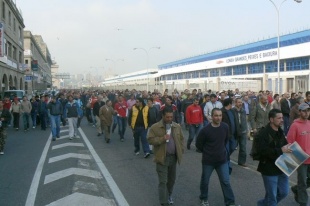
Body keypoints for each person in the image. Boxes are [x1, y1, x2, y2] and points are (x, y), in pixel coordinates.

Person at [196, 108, 237, 206]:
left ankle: (230, 202)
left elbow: (225, 140)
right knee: (205, 181)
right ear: (211, 116)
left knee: (225, 182)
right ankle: (204, 198)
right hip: (208, 161)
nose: (218, 118)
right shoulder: (205, 130)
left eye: (220, 115)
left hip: (222, 160)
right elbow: (199, 144)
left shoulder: (225, 127)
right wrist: (208, 152)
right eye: (216, 116)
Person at [147, 107, 184, 206]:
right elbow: (150, 140)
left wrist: (181, 150)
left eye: (171, 117)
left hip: (173, 158)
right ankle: (163, 202)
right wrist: (162, 138)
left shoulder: (176, 126)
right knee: (163, 181)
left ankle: (169, 195)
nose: (169, 119)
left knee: (171, 180)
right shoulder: (155, 127)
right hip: (162, 158)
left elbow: (181, 139)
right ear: (163, 116)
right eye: (167, 117)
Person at [256, 109, 291, 206]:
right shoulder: (264, 133)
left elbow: (283, 145)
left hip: (282, 167)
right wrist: (280, 150)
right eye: (279, 118)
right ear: (271, 119)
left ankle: (262, 204)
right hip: (269, 169)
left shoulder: (280, 131)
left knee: (284, 192)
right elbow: (263, 152)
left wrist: (288, 146)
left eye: (282, 118)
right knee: (272, 198)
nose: (282, 120)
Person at [287, 103, 310, 206]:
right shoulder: (295, 125)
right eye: (304, 111)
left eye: (308, 111)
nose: (306, 113)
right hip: (301, 159)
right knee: (303, 182)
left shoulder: (309, 123)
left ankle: (296, 189)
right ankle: (303, 202)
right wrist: (299, 155)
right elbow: (290, 142)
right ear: (300, 112)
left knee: (304, 183)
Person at [232, 98, 248, 167]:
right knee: (232, 146)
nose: (240, 103)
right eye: (239, 102)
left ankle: (242, 162)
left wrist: (247, 130)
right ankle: (225, 159)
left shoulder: (243, 111)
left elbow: (245, 121)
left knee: (243, 148)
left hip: (243, 132)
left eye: (241, 102)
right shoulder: (232, 111)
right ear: (235, 103)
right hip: (235, 132)